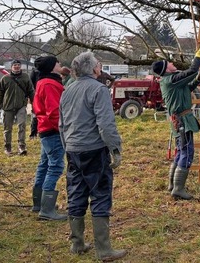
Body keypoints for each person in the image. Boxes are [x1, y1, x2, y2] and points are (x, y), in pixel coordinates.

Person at [59, 51, 126, 260]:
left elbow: (61, 124)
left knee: (76, 192)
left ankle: (77, 244)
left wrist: (67, 146)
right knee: (100, 194)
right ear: (93, 68)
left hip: (72, 149)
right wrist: (115, 149)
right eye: (98, 63)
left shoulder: (67, 90)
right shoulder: (99, 89)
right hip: (94, 150)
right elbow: (106, 124)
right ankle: (104, 250)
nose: (100, 66)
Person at [152, 46, 200, 200]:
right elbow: (191, 70)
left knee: (181, 151)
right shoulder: (171, 79)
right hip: (182, 121)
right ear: (166, 69)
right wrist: (198, 57)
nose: (172, 63)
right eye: (168, 63)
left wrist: (199, 77)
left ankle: (172, 185)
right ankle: (178, 188)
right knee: (187, 152)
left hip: (179, 120)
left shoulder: (173, 81)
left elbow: (188, 87)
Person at [31, 55, 67, 221]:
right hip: (52, 130)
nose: (60, 64)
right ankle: (47, 209)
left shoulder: (42, 81)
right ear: (53, 66)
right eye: (58, 62)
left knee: (44, 165)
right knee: (55, 166)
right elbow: (54, 111)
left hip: (44, 128)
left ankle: (38, 203)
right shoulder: (50, 84)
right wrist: (62, 128)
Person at [0, 59, 35, 156]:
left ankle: (22, 146)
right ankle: (7, 147)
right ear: (11, 67)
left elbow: (31, 91)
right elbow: (0, 92)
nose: (16, 66)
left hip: (21, 106)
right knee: (7, 128)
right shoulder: (5, 78)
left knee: (22, 125)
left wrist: (34, 104)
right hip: (8, 107)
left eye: (18, 65)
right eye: (15, 65)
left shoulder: (25, 77)